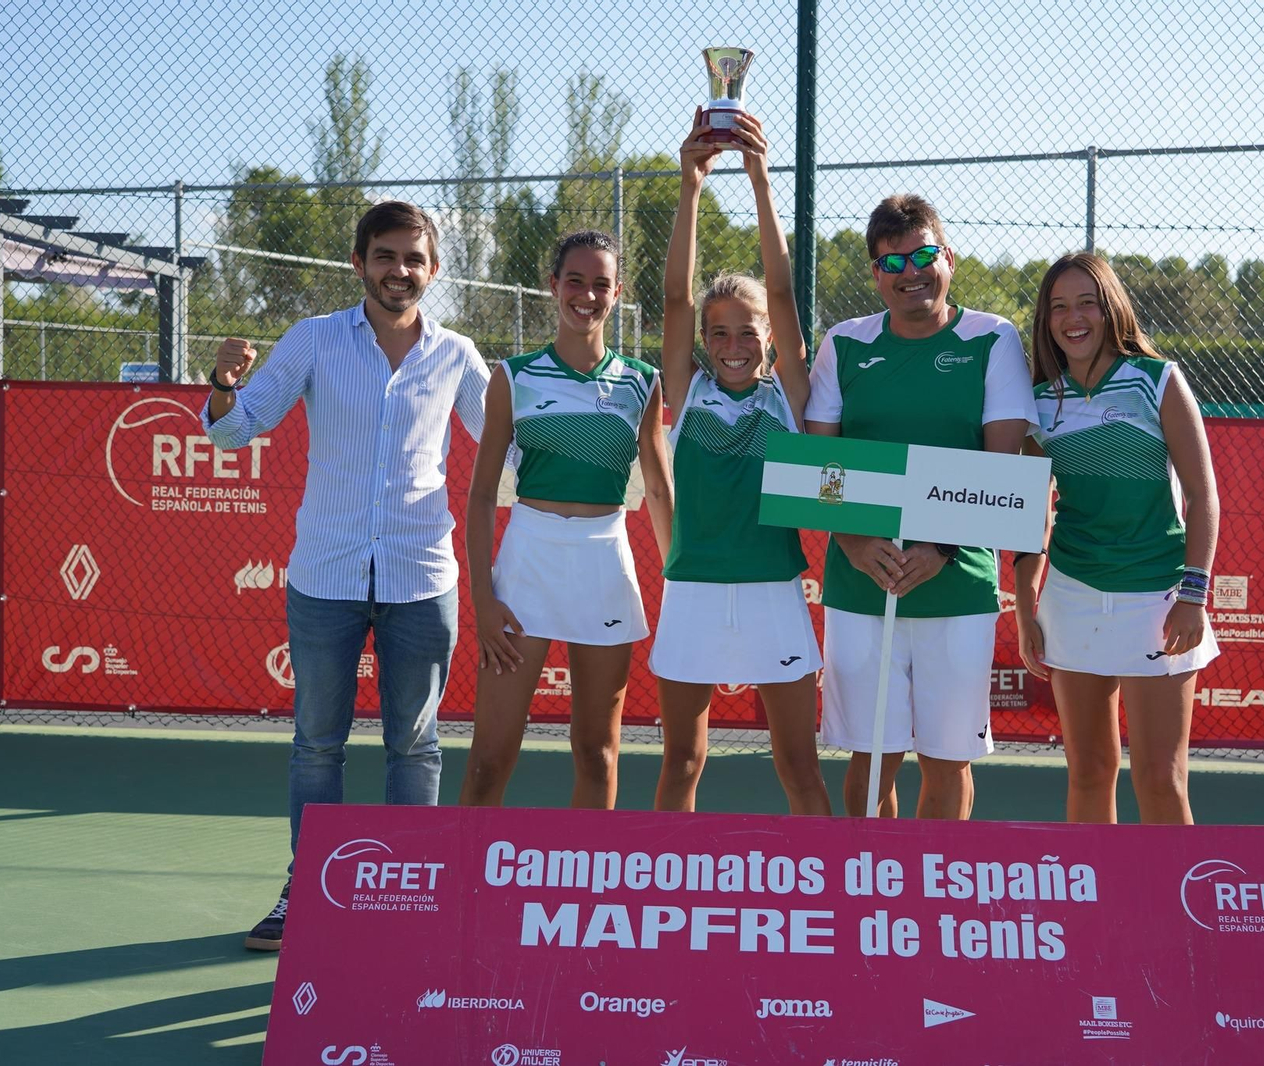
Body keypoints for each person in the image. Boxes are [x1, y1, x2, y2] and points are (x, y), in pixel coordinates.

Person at [203, 201, 489, 950]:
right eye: (385, 256)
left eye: (414, 259)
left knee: (416, 747)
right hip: (324, 577)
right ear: (359, 262)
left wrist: (596, 451)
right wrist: (223, 383)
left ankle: (409, 897)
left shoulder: (458, 355)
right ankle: (308, 890)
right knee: (317, 745)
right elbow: (236, 430)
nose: (400, 271)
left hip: (422, 578)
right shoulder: (314, 339)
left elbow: (510, 448)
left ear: (433, 270)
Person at [804, 194, 1032, 819]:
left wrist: (940, 549)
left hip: (956, 583)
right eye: (892, 262)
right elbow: (819, 467)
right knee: (871, 760)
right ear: (876, 274)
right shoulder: (843, 344)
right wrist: (855, 544)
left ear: (948, 258)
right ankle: (869, 878)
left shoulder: (993, 338)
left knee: (947, 762)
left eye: (923, 256)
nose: (911, 273)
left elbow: (1003, 467)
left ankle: (933, 883)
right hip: (861, 584)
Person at [648, 109, 831, 815]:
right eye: (718, 333)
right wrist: (689, 186)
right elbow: (674, 296)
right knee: (681, 762)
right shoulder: (687, 390)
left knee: (798, 766)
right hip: (691, 592)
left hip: (773, 592)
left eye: (747, 333)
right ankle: (669, 882)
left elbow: (781, 292)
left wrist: (760, 180)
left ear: (771, 339)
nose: (732, 345)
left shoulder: (788, 395)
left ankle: (827, 882)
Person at [458, 230, 673, 810]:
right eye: (574, 281)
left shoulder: (641, 381)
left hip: (605, 562)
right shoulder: (513, 377)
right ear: (553, 286)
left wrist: (680, 582)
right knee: (488, 760)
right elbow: (482, 496)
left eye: (601, 284)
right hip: (527, 563)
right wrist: (482, 597)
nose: (587, 295)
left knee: (597, 755)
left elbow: (658, 490)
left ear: (617, 293)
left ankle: (589, 870)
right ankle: (469, 869)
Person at [1013, 251, 1220, 825]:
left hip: (1157, 599)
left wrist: (1193, 595)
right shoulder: (1039, 401)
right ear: (1046, 319)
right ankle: (1095, 889)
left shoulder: (1158, 380)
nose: (1073, 318)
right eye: (1059, 307)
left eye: (1087, 303)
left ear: (1111, 310)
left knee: (1161, 780)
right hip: (1072, 598)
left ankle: (1175, 890)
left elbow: (1203, 496)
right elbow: (1031, 514)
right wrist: (1025, 607)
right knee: (1089, 772)